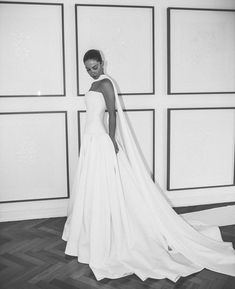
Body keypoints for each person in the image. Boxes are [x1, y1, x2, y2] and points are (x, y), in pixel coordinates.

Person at [62, 49, 235, 282]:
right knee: (94, 186)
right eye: (87, 69)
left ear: (102, 63)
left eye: (94, 67)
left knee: (107, 184)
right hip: (91, 139)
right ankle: (93, 233)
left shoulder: (106, 83)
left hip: (101, 140)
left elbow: (112, 115)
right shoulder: (96, 85)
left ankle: (112, 234)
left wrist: (112, 141)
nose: (91, 72)